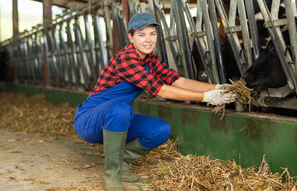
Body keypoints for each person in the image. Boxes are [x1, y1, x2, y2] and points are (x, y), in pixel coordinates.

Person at [74, 13, 236, 191]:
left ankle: (122, 163)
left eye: (152, 34)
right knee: (120, 108)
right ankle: (112, 174)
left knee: (160, 130)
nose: (148, 40)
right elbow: (160, 90)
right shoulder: (126, 59)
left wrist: (217, 88)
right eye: (141, 35)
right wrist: (206, 98)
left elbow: (178, 81)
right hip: (89, 121)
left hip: (117, 119)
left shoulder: (150, 60)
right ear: (131, 37)